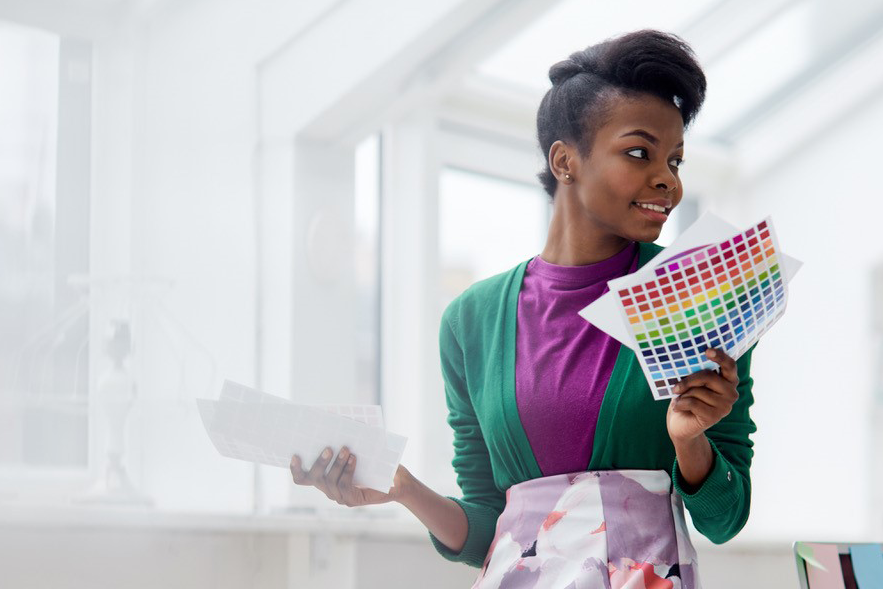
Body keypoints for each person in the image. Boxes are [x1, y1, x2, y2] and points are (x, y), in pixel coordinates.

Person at [290, 29, 756, 588]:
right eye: (639, 152)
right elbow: (488, 529)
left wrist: (689, 440)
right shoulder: (470, 322)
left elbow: (725, 519)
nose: (668, 180)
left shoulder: (701, 292)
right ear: (565, 161)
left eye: (675, 160)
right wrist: (403, 488)